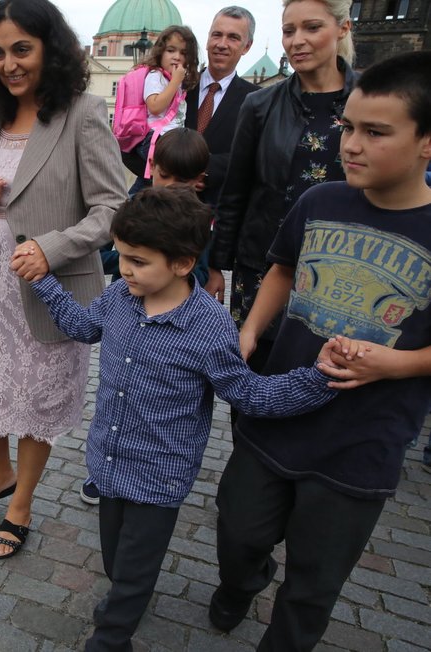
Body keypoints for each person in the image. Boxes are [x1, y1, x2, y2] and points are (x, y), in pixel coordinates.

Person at [26, 185, 344, 652]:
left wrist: (317, 379)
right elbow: (82, 327)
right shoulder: (118, 298)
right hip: (108, 462)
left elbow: (250, 394)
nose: (124, 269)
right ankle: (123, 601)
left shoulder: (209, 327)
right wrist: (44, 281)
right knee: (117, 563)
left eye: (137, 260)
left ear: (181, 262)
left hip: (159, 475)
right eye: (121, 256)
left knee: (134, 575)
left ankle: (112, 638)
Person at [209, 49, 431, 650]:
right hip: (279, 410)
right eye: (348, 128)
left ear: (427, 142)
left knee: (314, 581)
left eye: (376, 132)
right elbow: (281, 267)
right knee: (238, 529)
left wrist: (400, 363)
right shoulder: (320, 200)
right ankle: (242, 581)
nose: (353, 144)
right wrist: (251, 327)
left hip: (364, 437)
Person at [0, 0, 127, 559]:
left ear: (49, 48)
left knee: (35, 400)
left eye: (21, 50)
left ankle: (22, 502)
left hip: (53, 287)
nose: (9, 64)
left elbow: (112, 210)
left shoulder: (84, 111)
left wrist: (51, 249)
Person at [206, 0, 357, 372]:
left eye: (312, 28)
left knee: (327, 377)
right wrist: (215, 266)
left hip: (342, 274)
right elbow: (236, 193)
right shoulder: (260, 104)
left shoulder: (372, 100)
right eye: (289, 31)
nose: (297, 41)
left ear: (343, 29)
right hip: (261, 264)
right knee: (255, 377)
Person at [85, 127, 210, 505]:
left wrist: (175, 279)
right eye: (164, 175)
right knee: (118, 394)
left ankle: (152, 474)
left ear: (199, 182)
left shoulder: (198, 219)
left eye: (181, 180)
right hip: (131, 312)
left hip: (172, 326)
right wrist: (134, 266)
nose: (170, 185)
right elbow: (112, 254)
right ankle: (104, 471)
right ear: (151, 167)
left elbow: (200, 271)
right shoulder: (134, 205)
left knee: (154, 403)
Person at [184, 6, 258, 216]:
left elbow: (254, 158)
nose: (222, 44)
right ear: (207, 39)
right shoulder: (177, 87)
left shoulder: (258, 100)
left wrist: (203, 172)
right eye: (217, 35)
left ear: (247, 46)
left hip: (218, 220)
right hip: (164, 213)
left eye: (233, 37)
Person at [128, 25, 200, 196]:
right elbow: (155, 106)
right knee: (159, 178)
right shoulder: (156, 76)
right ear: (160, 53)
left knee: (151, 181)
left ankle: (134, 202)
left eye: (183, 53)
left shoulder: (175, 80)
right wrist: (175, 82)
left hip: (168, 139)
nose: (176, 57)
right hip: (155, 139)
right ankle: (131, 203)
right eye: (171, 50)